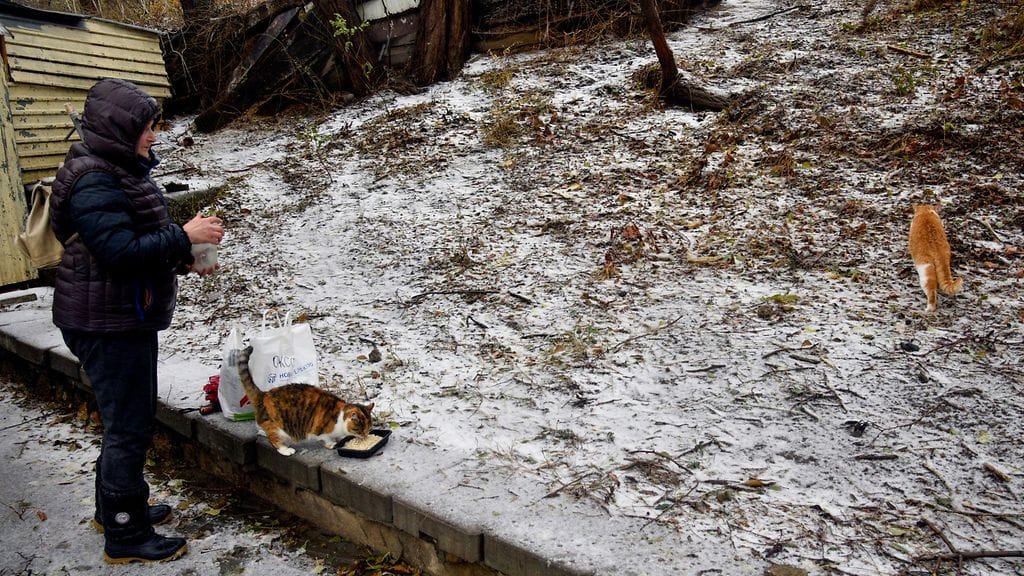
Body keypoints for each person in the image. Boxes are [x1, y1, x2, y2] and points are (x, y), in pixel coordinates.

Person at [49, 78, 224, 564]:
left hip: (121, 312)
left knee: (128, 418)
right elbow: (119, 252)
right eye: (148, 127)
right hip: (105, 321)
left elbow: (131, 240)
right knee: (128, 426)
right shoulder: (94, 178)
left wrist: (179, 256)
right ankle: (125, 533)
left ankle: (116, 508)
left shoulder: (118, 167)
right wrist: (183, 235)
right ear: (121, 128)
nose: (154, 136)